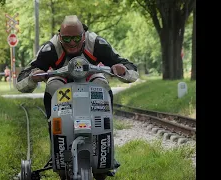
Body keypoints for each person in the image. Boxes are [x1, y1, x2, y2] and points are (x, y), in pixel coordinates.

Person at [16, 15, 139, 180]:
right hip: (61, 83)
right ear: (60, 36)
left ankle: (106, 148)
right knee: (52, 86)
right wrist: (33, 76)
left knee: (101, 84)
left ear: (84, 35)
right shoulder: (50, 48)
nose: (72, 43)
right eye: (67, 39)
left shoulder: (97, 43)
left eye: (76, 38)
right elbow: (21, 80)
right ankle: (57, 147)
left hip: (92, 80)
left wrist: (122, 70)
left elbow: (130, 68)